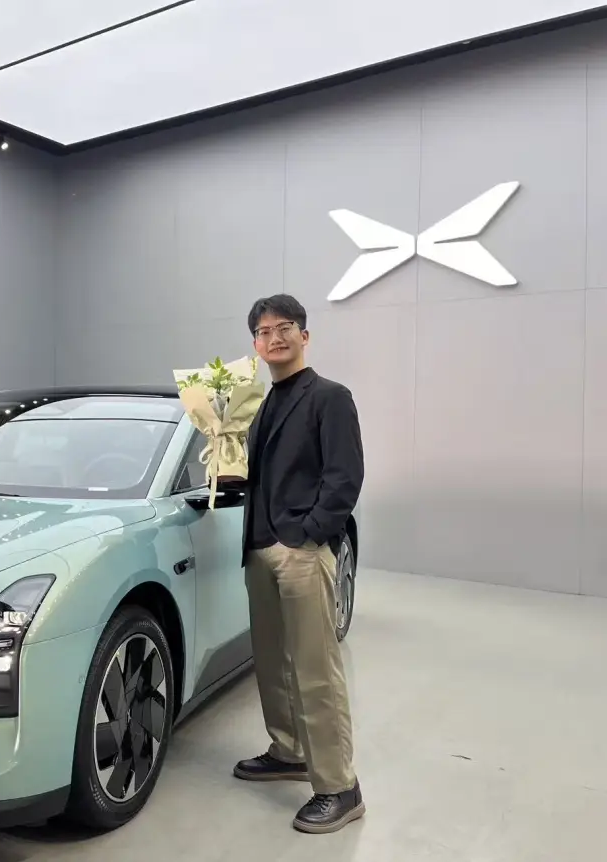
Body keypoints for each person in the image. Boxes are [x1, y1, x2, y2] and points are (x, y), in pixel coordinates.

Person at [233, 294, 365, 834]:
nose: (275, 337)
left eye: (285, 327)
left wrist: (309, 536)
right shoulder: (260, 406)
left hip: (300, 552)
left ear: (304, 336)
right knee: (272, 663)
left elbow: (345, 478)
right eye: (264, 332)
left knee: (315, 669)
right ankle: (288, 751)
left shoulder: (329, 397)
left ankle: (339, 786)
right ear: (256, 345)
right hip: (260, 549)